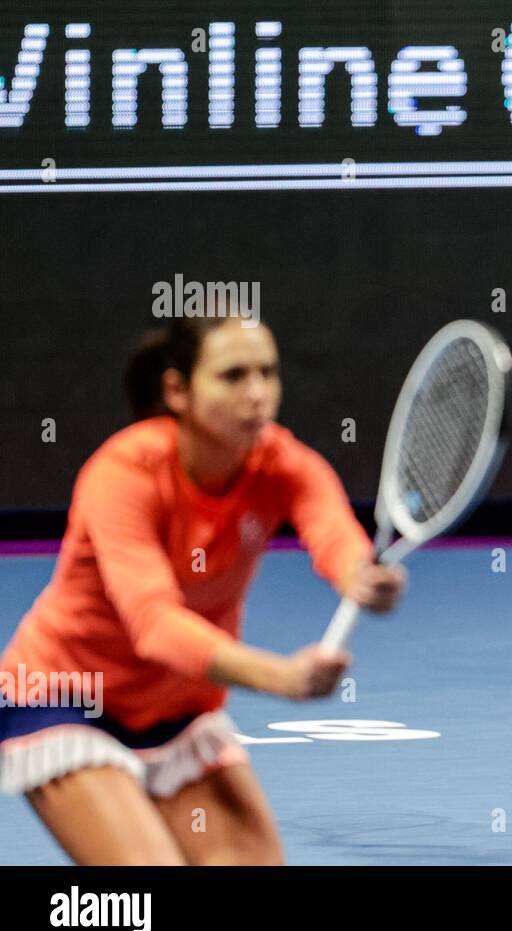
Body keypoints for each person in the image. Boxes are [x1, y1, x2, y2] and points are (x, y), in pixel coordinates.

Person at [0, 313, 406, 863]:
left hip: (180, 710)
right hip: (67, 700)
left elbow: (332, 531)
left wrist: (360, 573)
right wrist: (279, 677)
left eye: (268, 372)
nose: (258, 394)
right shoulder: (124, 472)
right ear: (177, 390)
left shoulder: (283, 463)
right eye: (233, 376)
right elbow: (154, 625)